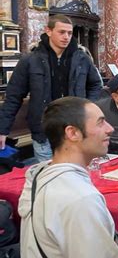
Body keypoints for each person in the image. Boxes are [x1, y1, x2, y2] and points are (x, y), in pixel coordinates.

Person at [18, 97, 118, 258]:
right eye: (100, 123)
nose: (110, 129)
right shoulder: (81, 198)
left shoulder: (39, 175)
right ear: (73, 133)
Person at [0, 15, 102, 162]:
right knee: (48, 175)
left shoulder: (81, 58)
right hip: (43, 128)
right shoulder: (30, 60)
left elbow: (95, 84)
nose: (66, 37)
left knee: (74, 171)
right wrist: (3, 129)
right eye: (61, 32)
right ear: (48, 31)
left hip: (74, 125)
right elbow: (13, 96)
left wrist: (86, 106)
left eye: (69, 33)